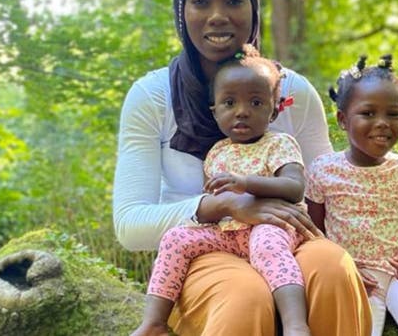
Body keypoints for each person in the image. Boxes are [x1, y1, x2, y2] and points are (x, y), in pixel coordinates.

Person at [113, 0, 371, 336]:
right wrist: (226, 206)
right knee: (244, 295)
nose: (218, 15)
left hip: (289, 239)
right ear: (182, 11)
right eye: (201, 2)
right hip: (206, 252)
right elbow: (130, 225)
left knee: (332, 268)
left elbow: (332, 196)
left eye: (234, 0)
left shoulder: (292, 91)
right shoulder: (152, 96)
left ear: (254, 7)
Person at [131, 45, 310, 336]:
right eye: (229, 103)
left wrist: (246, 183)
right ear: (214, 112)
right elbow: (215, 202)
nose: (241, 112)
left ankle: (295, 325)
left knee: (267, 244)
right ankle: (154, 322)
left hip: (271, 226)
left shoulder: (280, 144)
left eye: (255, 103)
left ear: (274, 110)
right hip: (228, 234)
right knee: (176, 237)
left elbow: (294, 187)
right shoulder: (217, 153)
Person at [306, 55, 398, 336]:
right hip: (353, 278)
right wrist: (341, 271)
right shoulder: (323, 170)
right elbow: (314, 233)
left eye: (393, 114)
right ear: (342, 120)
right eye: (368, 113)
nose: (383, 123)